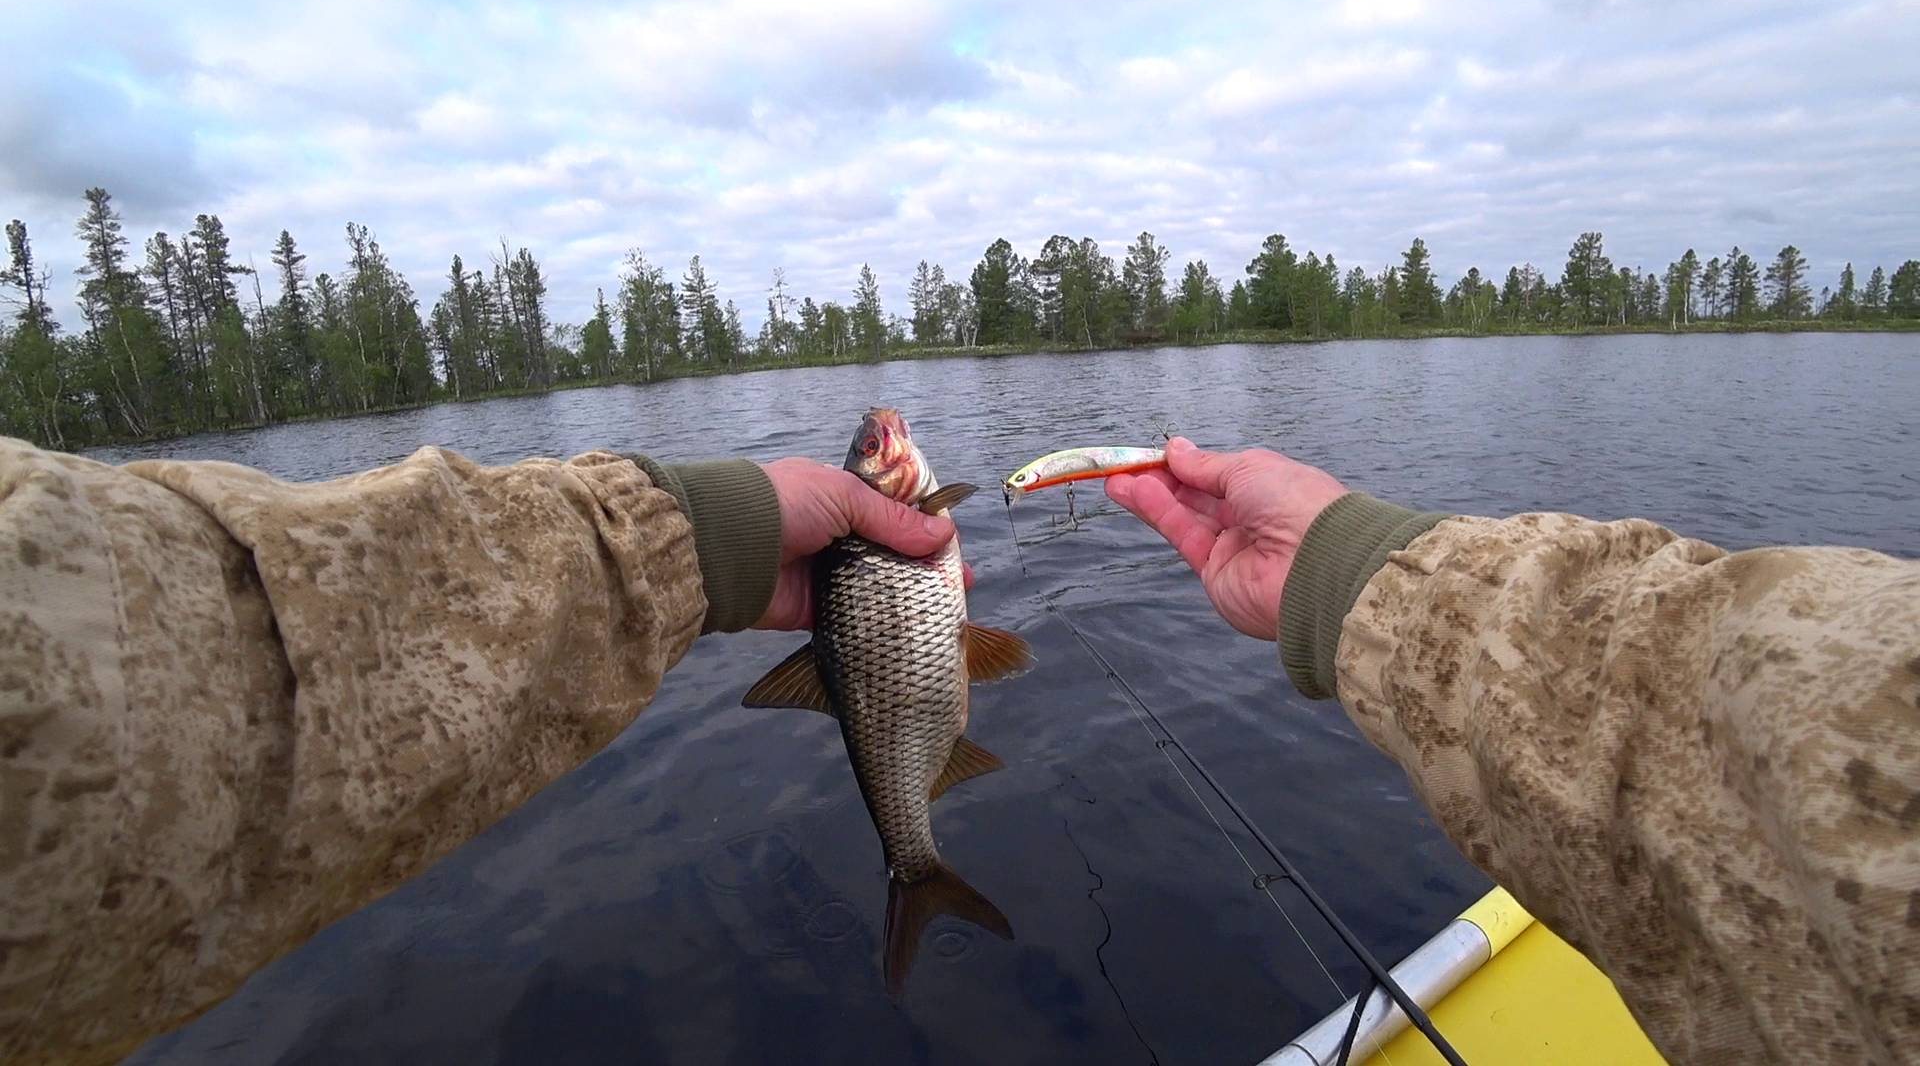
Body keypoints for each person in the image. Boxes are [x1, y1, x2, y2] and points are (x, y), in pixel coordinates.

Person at [0, 434, 1912, 1064]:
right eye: (886, 461)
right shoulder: (901, 570)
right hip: (896, 676)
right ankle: (922, 853)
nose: (902, 463)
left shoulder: (889, 564)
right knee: (911, 733)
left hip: (882, 669)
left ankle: (918, 853)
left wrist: (712, 546)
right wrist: (1348, 571)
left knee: (906, 726)